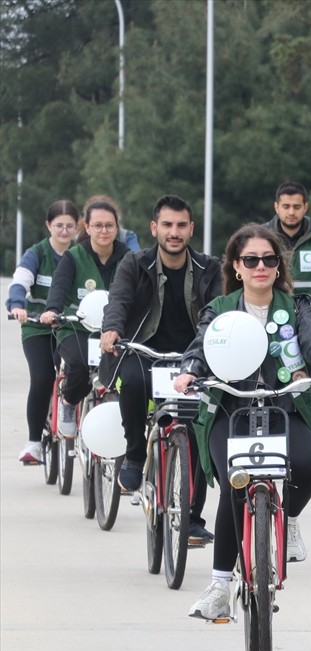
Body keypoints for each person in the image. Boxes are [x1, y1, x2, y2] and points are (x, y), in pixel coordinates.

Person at [173, 224, 311, 620]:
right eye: (250, 260)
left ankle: (290, 522)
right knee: (235, 486)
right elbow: (201, 346)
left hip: (283, 407)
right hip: (230, 409)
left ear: (278, 264)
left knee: (306, 466)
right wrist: (188, 371)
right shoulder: (221, 310)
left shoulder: (297, 305)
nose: (260, 267)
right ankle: (220, 586)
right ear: (236, 266)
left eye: (269, 259)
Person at [98, 195, 222, 544]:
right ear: (155, 228)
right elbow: (118, 300)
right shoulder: (134, 264)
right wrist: (112, 329)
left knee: (199, 429)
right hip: (145, 350)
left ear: (191, 229)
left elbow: (220, 310)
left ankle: (193, 517)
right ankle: (135, 455)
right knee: (134, 382)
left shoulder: (209, 267)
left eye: (181, 225)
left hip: (193, 358)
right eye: (167, 225)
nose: (174, 232)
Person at [39, 199, 132, 435]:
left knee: (131, 369)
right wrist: (52, 310)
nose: (104, 231)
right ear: (87, 228)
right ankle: (69, 402)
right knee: (79, 364)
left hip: (116, 329)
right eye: (98, 225)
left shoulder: (129, 258)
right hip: (76, 328)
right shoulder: (73, 257)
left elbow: (140, 291)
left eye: (109, 226)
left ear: (117, 228)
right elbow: (58, 288)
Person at [6, 200, 80, 463]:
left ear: (77, 226)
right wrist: (17, 305)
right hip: (37, 328)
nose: (64, 231)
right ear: (48, 225)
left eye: (69, 226)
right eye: (58, 225)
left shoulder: (81, 254)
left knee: (82, 374)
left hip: (71, 327)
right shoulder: (36, 253)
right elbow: (20, 282)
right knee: (42, 378)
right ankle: (34, 441)